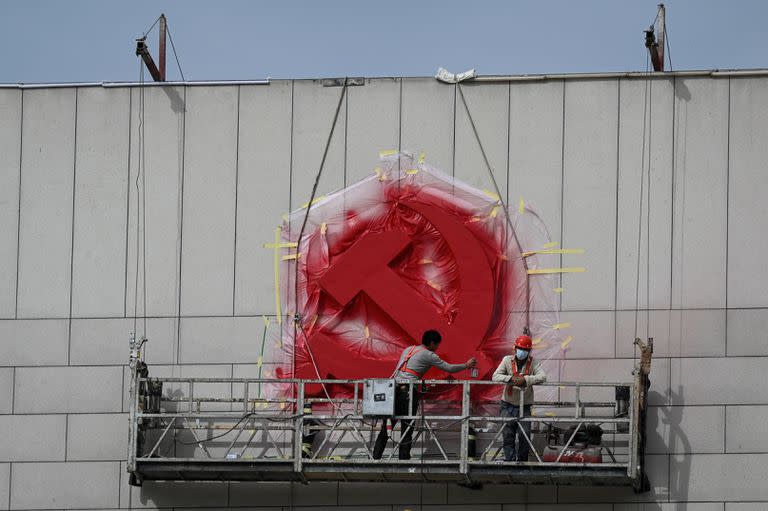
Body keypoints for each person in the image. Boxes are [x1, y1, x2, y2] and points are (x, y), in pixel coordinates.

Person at [372, 329, 477, 460]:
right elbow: (448, 368)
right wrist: (466, 365)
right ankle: (404, 458)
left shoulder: (409, 349)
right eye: (437, 345)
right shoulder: (429, 355)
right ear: (432, 343)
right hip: (408, 392)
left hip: (393, 389)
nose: (437, 348)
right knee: (408, 426)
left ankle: (376, 456)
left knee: (387, 425)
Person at [492, 334, 546, 462]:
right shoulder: (507, 360)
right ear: (515, 348)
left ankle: (522, 461)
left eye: (525, 350)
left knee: (524, 434)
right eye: (520, 348)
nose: (522, 352)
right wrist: (511, 379)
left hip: (525, 406)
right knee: (508, 434)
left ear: (529, 351)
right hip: (507, 404)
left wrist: (526, 380)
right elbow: (495, 376)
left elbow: (543, 377)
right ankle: (510, 460)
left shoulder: (533, 362)